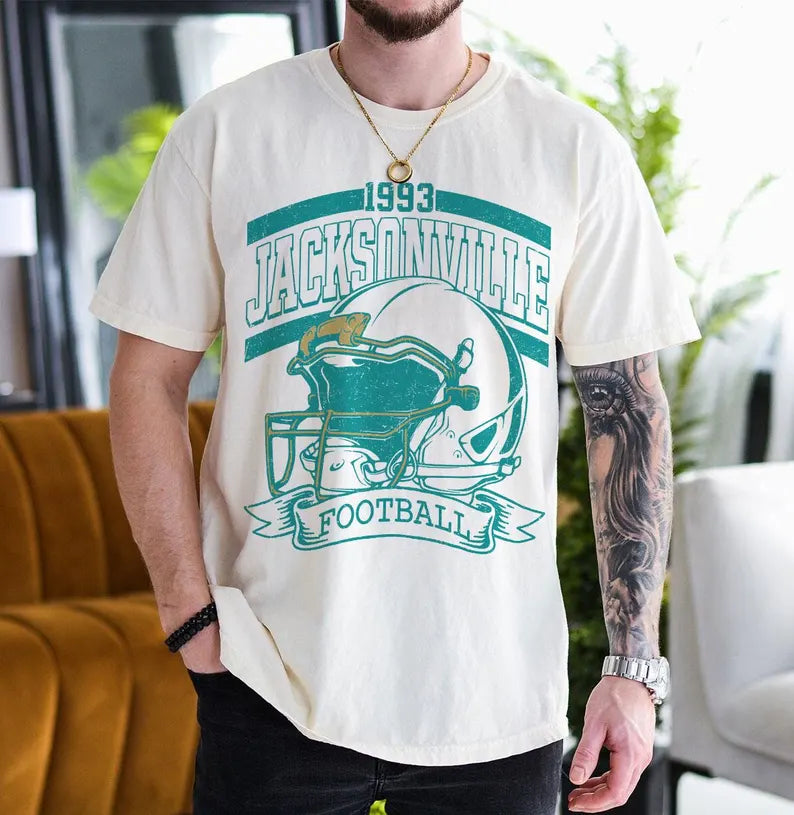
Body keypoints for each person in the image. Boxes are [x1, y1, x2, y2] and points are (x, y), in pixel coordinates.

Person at [90, 1, 702, 812]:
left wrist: (633, 667)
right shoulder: (225, 132)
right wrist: (186, 612)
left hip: (495, 699)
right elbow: (147, 377)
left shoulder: (575, 149)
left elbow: (624, 404)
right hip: (269, 680)